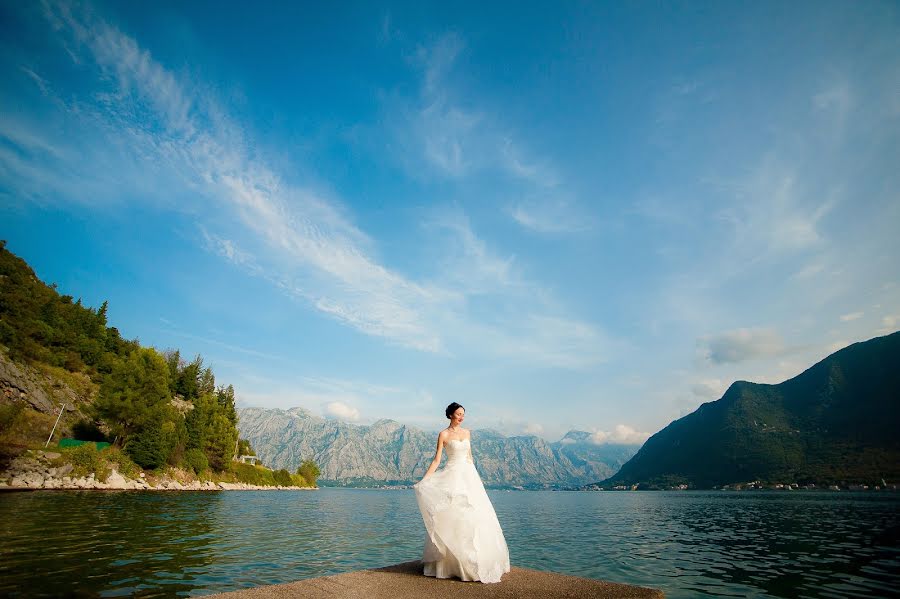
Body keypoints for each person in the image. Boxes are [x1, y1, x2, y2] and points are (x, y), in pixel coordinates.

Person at [413, 402, 511, 583]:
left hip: (469, 476)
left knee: (475, 515)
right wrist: (424, 480)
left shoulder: (467, 433)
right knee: (453, 514)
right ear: (450, 415)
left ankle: (474, 561)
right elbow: (437, 460)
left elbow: (470, 457)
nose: (461, 417)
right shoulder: (443, 434)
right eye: (458, 414)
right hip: (452, 475)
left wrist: (476, 479)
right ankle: (451, 563)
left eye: (463, 414)